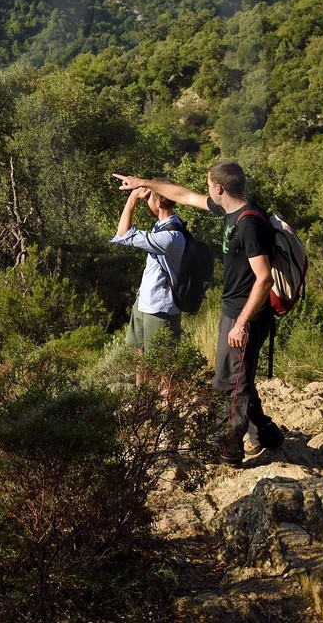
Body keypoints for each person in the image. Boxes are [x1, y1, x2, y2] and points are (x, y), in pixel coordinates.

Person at [110, 162, 286, 464]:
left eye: (208, 184)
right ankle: (267, 435)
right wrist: (143, 181)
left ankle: (226, 450)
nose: (204, 190)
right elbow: (182, 195)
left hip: (246, 316)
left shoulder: (248, 223)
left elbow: (264, 278)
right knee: (236, 375)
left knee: (229, 383)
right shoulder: (229, 211)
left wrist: (241, 323)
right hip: (234, 309)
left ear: (219, 188)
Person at [109, 184, 185, 366]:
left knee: (163, 365)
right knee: (140, 356)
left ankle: (166, 396)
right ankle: (141, 395)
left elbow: (124, 234)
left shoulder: (170, 237)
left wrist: (132, 199)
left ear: (158, 202)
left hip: (160, 308)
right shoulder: (164, 225)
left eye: (149, 199)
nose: (146, 202)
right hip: (145, 301)